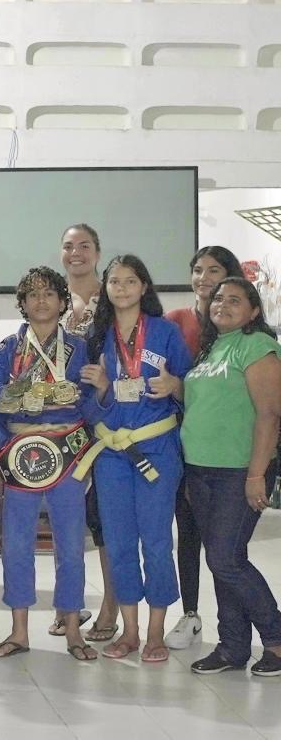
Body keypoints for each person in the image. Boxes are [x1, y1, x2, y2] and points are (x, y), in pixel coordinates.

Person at [0, 266, 100, 661]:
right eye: (33, 294)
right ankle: (19, 630)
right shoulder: (8, 348)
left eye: (49, 294)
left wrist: (76, 396)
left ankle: (73, 629)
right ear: (23, 304)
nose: (41, 301)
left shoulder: (79, 348)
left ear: (63, 302)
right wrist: (18, 393)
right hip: (21, 455)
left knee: (71, 545)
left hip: (68, 454)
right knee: (15, 545)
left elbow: (93, 399)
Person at [74, 254, 192, 663]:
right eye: (114, 282)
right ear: (105, 289)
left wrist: (176, 385)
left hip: (156, 450)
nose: (121, 288)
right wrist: (103, 389)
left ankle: (156, 632)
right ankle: (130, 631)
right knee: (119, 541)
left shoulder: (166, 333)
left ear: (144, 287)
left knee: (156, 542)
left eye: (129, 281)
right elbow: (86, 407)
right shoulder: (95, 338)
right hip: (111, 454)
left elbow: (189, 389)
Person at [180, 277, 281, 677]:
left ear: (254, 311)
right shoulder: (211, 347)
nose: (223, 303)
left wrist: (257, 474)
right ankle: (233, 647)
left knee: (225, 559)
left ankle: (276, 638)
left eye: (235, 300)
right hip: (201, 471)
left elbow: (269, 415)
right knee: (223, 561)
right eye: (219, 298)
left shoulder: (256, 346)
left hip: (238, 472)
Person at [164, 245, 244, 650]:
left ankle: (235, 627)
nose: (204, 278)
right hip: (178, 442)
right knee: (188, 532)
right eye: (198, 269)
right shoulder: (174, 321)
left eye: (214, 270)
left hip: (224, 449)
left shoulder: (237, 331)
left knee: (225, 546)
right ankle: (191, 614)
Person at [57, 223, 116, 643]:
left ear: (97, 252)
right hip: (58, 422)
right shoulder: (50, 298)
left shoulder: (112, 298)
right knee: (66, 516)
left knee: (102, 516)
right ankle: (68, 605)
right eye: (68, 246)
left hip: (103, 419)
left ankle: (110, 605)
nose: (75, 252)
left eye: (84, 246)